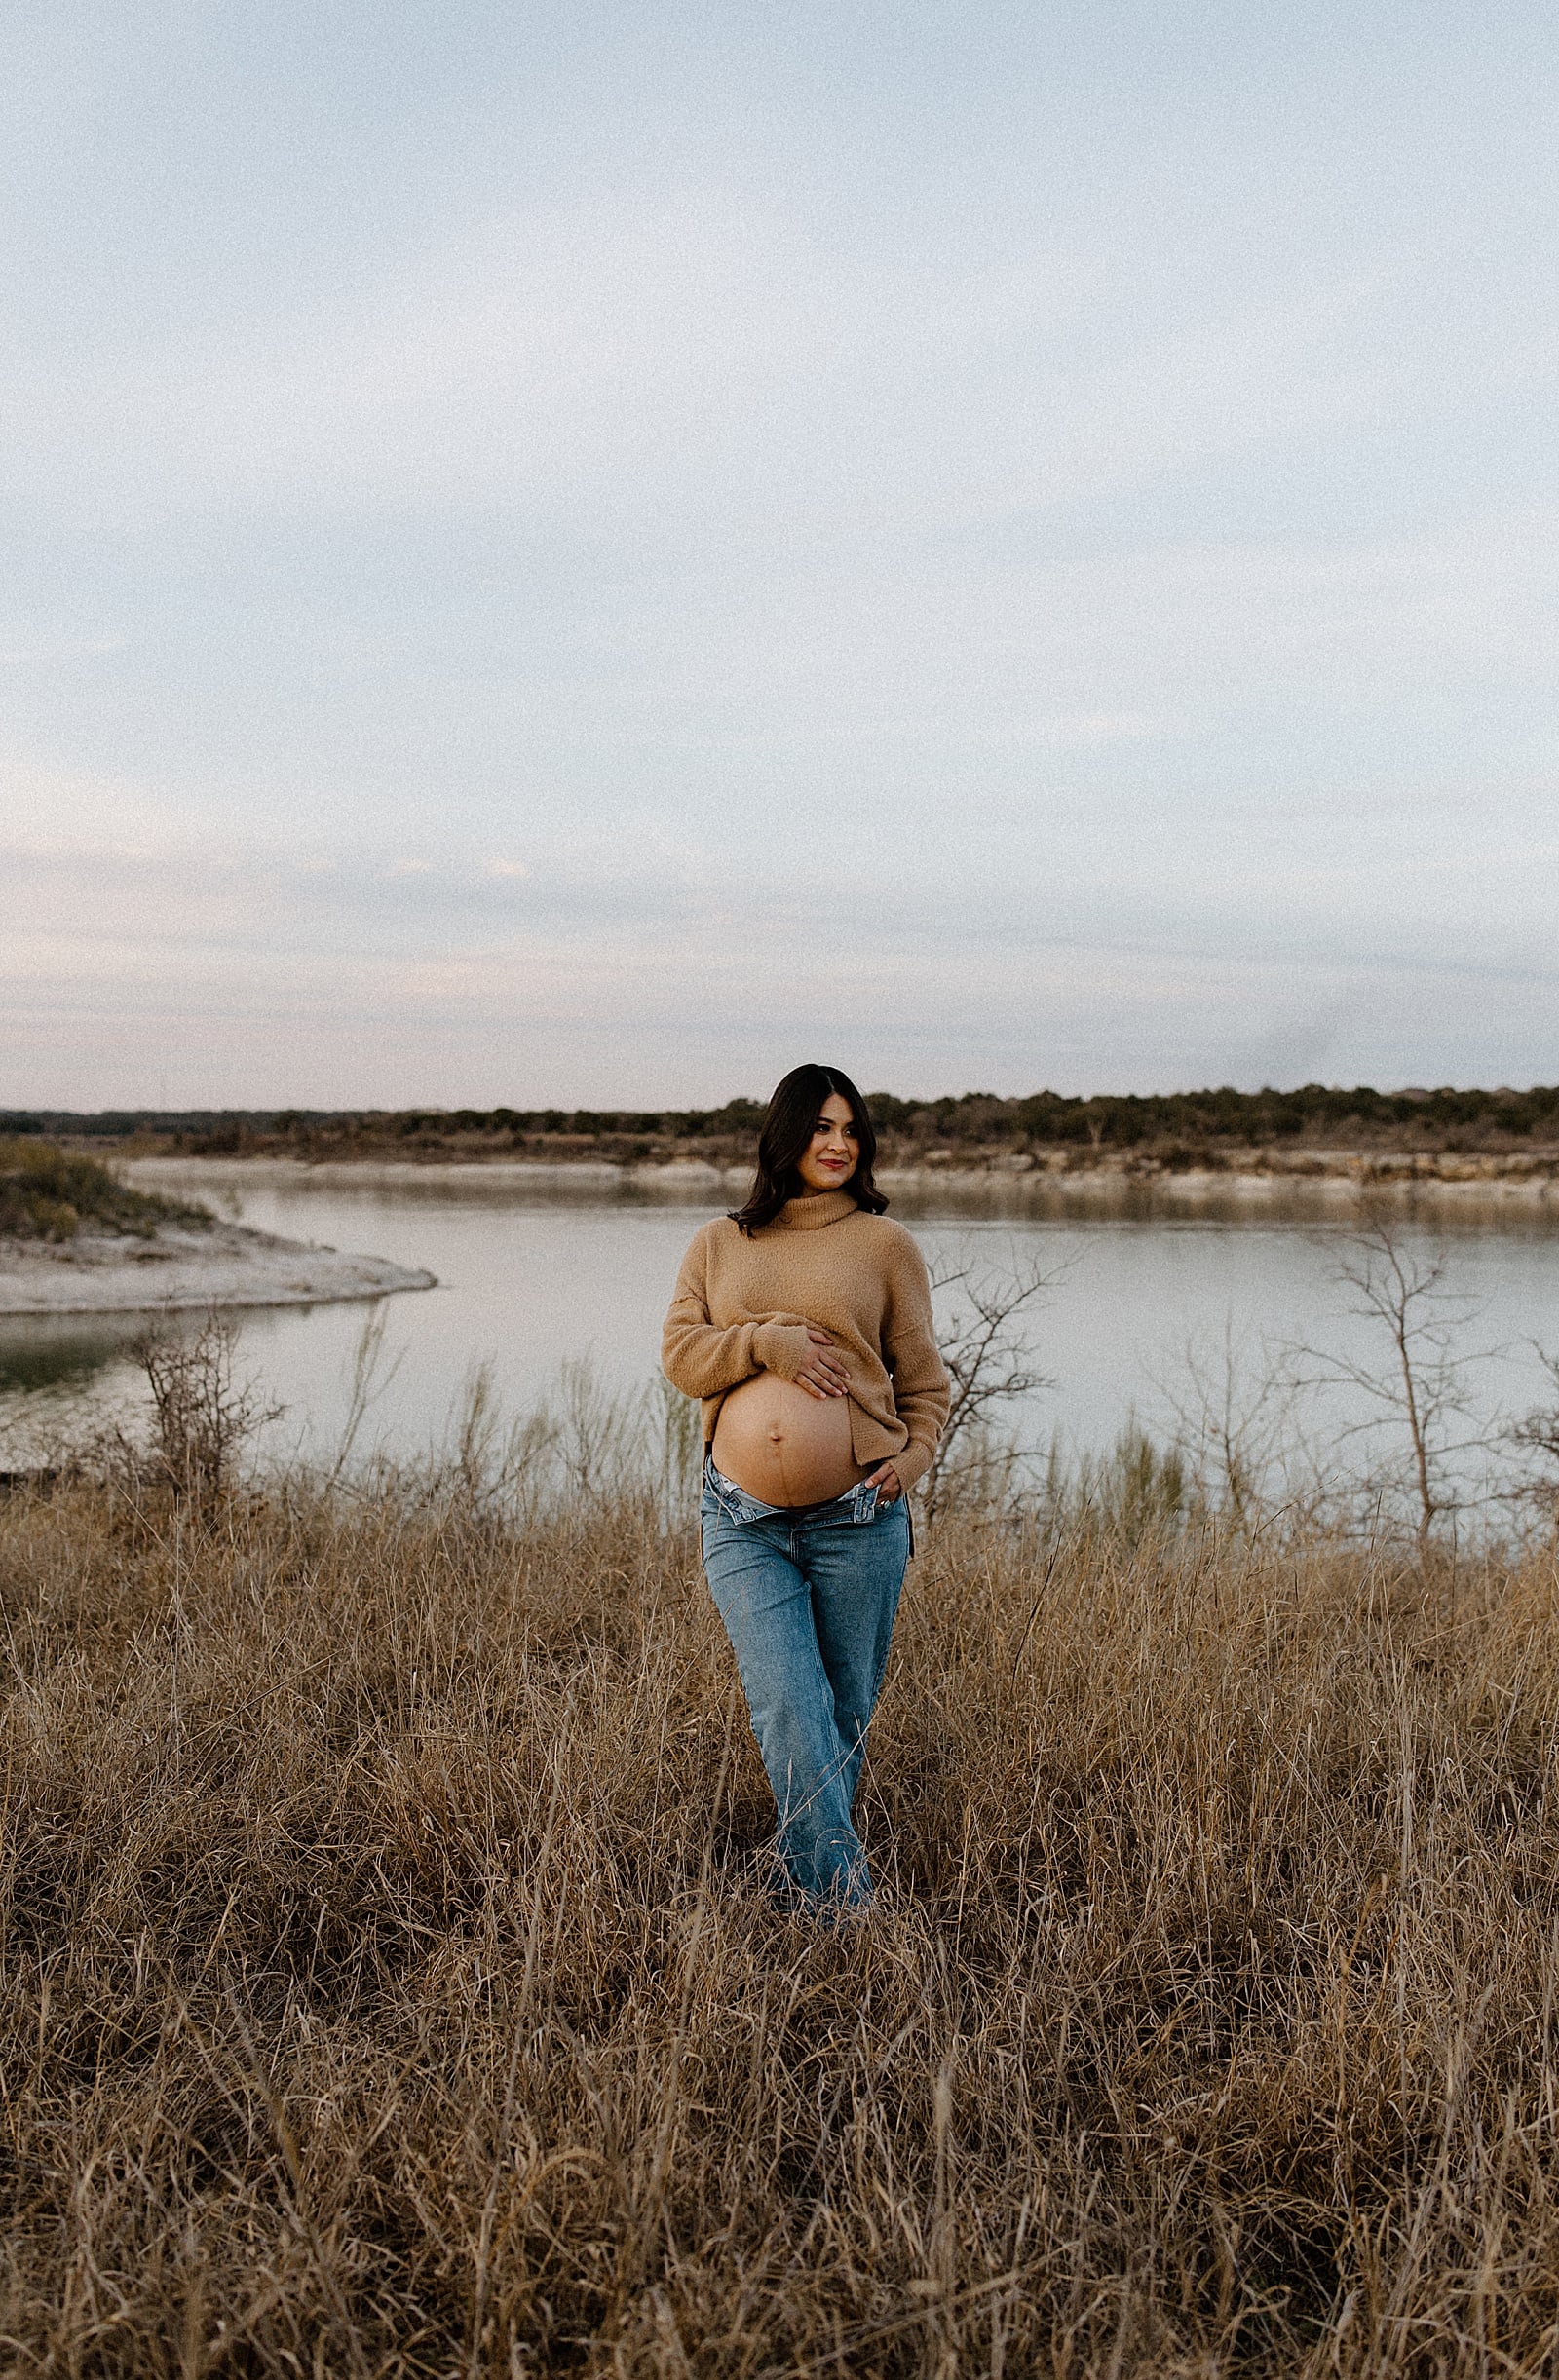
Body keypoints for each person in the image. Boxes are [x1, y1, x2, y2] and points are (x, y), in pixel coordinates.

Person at [662, 1064, 949, 1910]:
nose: (838, 1144)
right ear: (786, 1136)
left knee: (844, 1709)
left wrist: (914, 1457)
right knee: (790, 1700)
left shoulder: (884, 1244)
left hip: (860, 1515)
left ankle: (811, 1883)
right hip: (741, 1519)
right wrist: (765, 1343)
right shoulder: (719, 1242)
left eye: (851, 1129)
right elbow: (681, 1356)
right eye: (822, 1127)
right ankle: (845, 1909)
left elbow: (925, 1382)